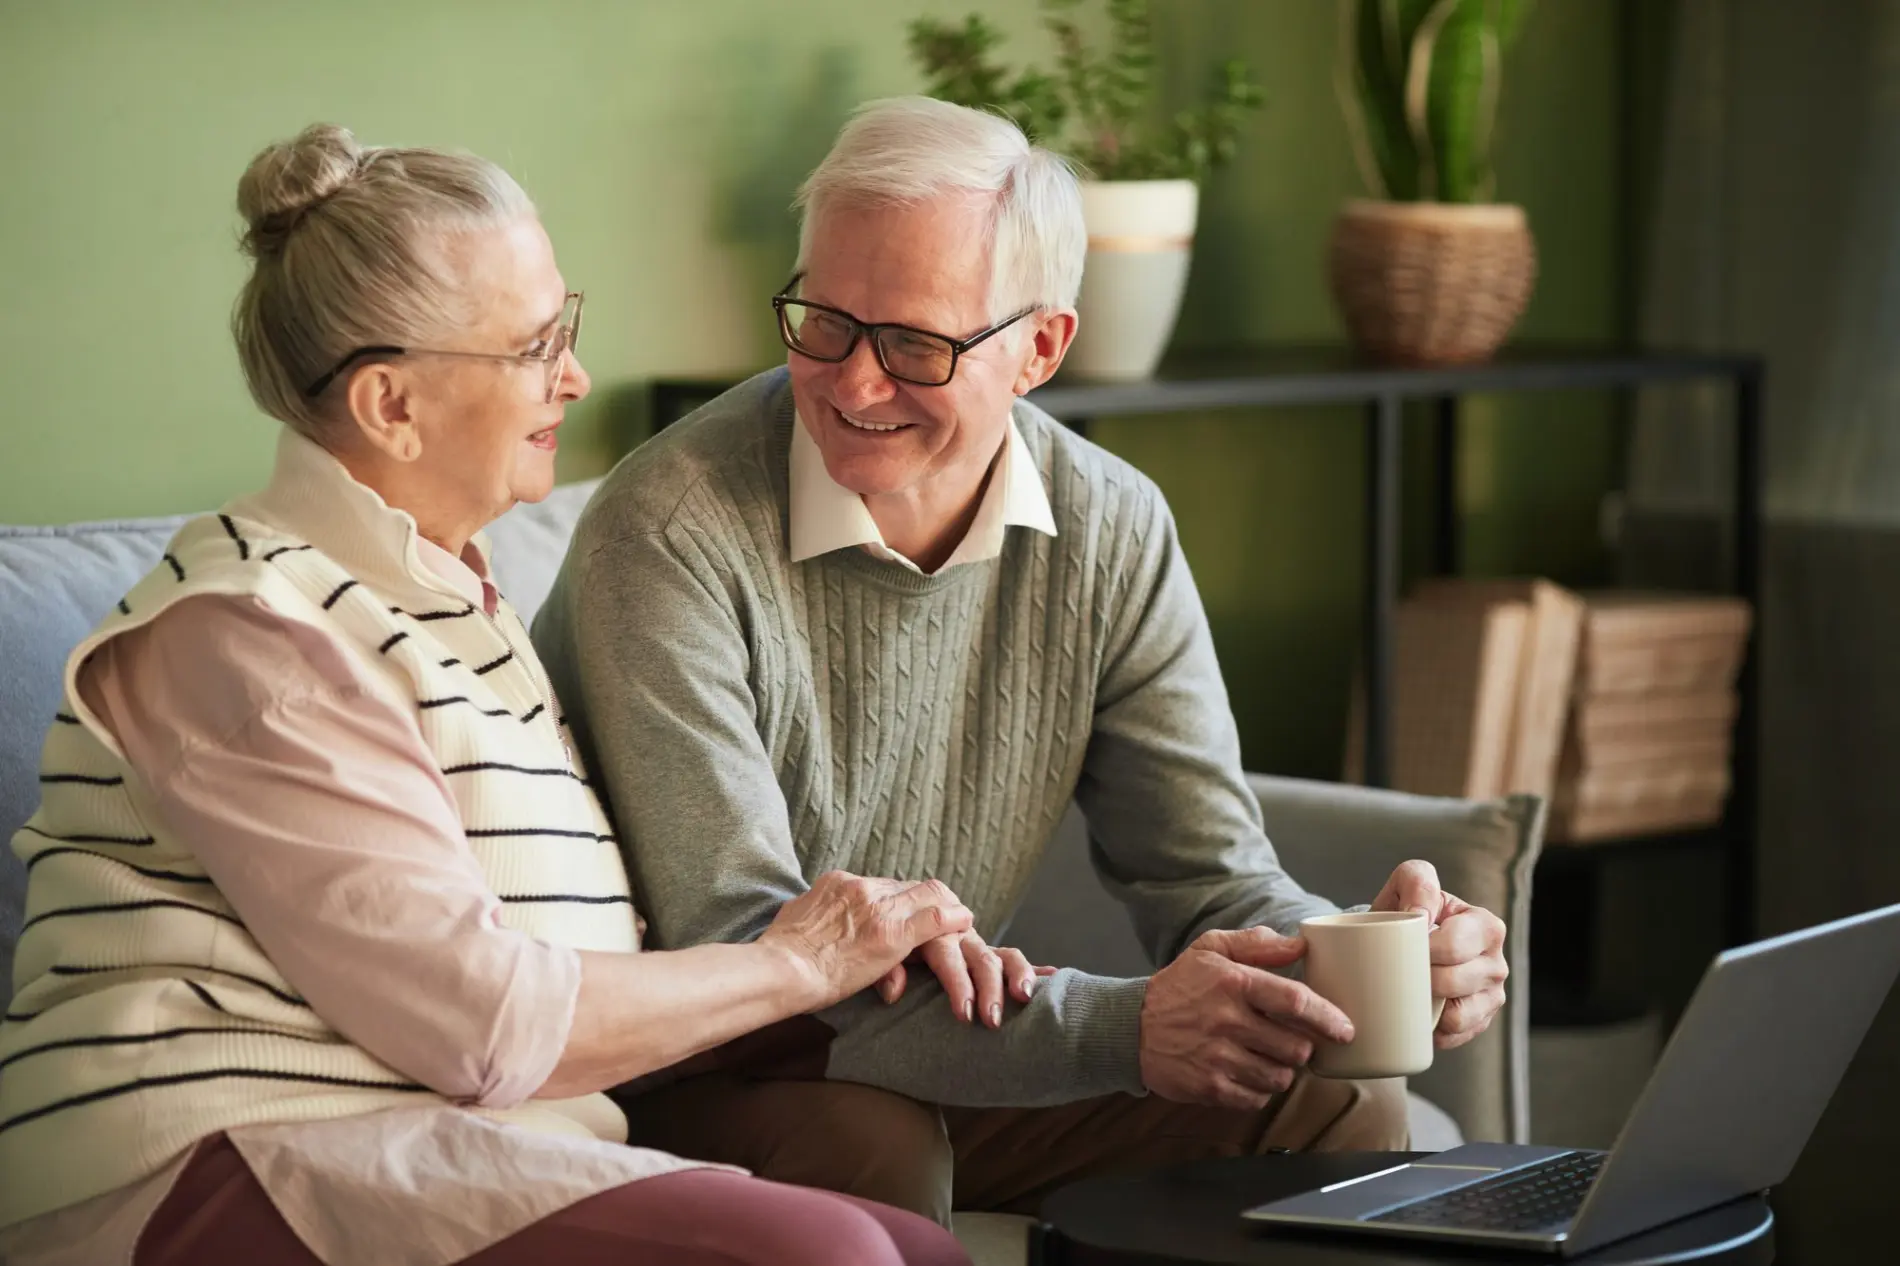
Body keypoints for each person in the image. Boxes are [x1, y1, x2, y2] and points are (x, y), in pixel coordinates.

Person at [0, 124, 978, 1266]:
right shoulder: (243, 630)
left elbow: (549, 970)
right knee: (832, 1260)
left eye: (570, 326)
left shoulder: (456, 605)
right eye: (535, 344)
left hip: (456, 1138)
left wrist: (900, 954)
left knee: (909, 1241)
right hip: (209, 1155)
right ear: (389, 405)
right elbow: (483, 1021)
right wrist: (796, 963)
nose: (576, 376)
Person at [532, 95, 1512, 1226]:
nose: (853, 384)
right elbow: (747, 960)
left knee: (1336, 1095)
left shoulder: (1112, 530)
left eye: (915, 344)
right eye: (821, 322)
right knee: (868, 1146)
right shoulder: (669, 531)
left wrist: (1364, 966)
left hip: (938, 1049)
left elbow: (1206, 881)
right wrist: (1116, 1026)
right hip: (681, 1070)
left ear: (1040, 348)